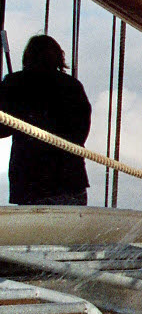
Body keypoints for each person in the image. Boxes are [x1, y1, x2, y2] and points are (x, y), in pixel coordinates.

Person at [0, 34, 91, 205]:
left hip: (30, 182)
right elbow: (81, 132)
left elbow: (2, 128)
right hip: (69, 179)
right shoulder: (72, 86)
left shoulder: (15, 83)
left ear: (28, 57)